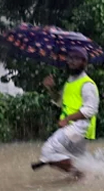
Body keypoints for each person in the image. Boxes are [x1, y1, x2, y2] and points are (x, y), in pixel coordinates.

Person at [32, 47, 99, 179]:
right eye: (69, 58)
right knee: (76, 158)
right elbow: (59, 101)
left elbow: (90, 110)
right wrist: (50, 88)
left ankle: (82, 175)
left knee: (48, 151)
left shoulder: (88, 85)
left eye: (75, 58)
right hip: (72, 128)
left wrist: (67, 119)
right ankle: (89, 176)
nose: (71, 61)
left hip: (79, 127)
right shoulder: (70, 82)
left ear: (84, 62)